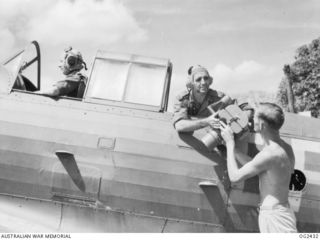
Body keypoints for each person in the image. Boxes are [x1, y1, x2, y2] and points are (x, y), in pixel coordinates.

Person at [219, 102, 297, 233]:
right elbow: (260, 166)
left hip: (274, 217)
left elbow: (235, 177)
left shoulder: (269, 154)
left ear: (261, 125)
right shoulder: (285, 148)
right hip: (283, 212)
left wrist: (230, 143)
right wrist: (236, 152)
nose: (251, 120)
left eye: (254, 117)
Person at [172, 65, 233, 142]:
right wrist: (207, 121)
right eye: (198, 80)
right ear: (191, 83)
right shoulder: (183, 98)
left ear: (210, 81)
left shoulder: (218, 97)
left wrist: (247, 111)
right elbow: (179, 125)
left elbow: (238, 105)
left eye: (206, 78)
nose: (203, 82)